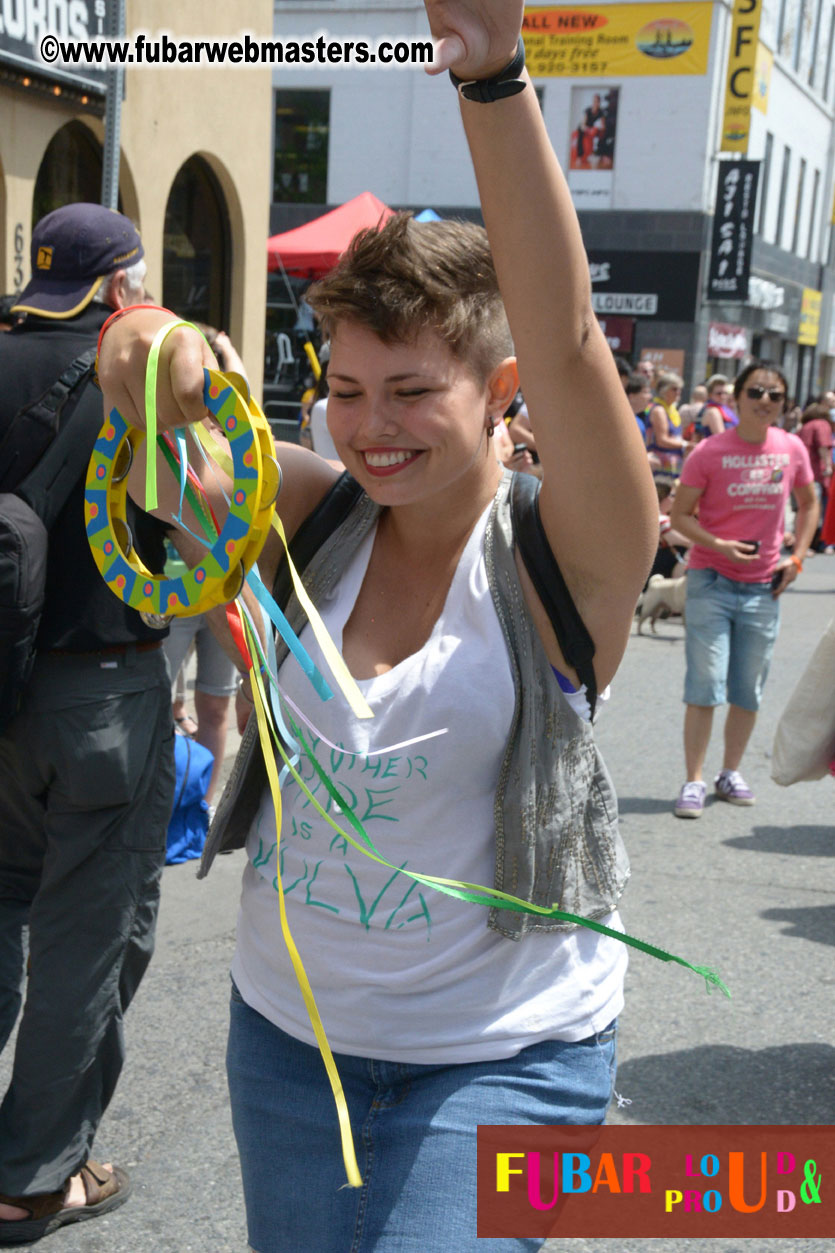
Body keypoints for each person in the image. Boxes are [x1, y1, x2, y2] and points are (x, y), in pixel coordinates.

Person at [97, 3, 657, 1249]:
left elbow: (563, 338)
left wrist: (494, 74)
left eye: (413, 391)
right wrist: (164, 349)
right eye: (345, 390)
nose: (370, 425)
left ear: (498, 395)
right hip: (289, 1043)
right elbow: (129, 357)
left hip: (505, 1062)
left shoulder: (571, 555)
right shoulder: (313, 511)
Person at [0, 204, 176, 1243]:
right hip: (104, 690)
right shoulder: (148, 369)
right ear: (122, 286)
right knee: (87, 936)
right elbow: (215, 508)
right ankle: (33, 1174)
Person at [669, 361, 818, 818]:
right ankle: (694, 779)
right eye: (756, 392)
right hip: (710, 580)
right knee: (705, 683)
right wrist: (720, 546)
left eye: (775, 395)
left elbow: (810, 503)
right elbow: (679, 518)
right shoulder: (708, 452)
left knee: (747, 689)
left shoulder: (791, 448)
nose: (765, 401)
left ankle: (730, 772)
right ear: (736, 398)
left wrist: (798, 557)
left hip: (763, 589)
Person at [797, 402, 834, 550]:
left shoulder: (805, 426)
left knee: (802, 508)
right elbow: (823, 446)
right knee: (815, 508)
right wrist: (827, 465)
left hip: (801, 472)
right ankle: (814, 544)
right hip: (816, 473)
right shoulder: (821, 424)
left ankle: (802, 543)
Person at [645, 370, 689, 472]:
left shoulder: (672, 410)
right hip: (660, 465)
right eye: (674, 389)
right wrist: (686, 445)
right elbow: (662, 440)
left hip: (673, 463)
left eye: (679, 389)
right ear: (663, 391)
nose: (678, 392)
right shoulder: (659, 410)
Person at [693, 373, 738, 441]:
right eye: (719, 393)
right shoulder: (712, 411)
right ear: (710, 395)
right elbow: (722, 438)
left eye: (725, 393)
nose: (723, 396)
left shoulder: (724, 409)